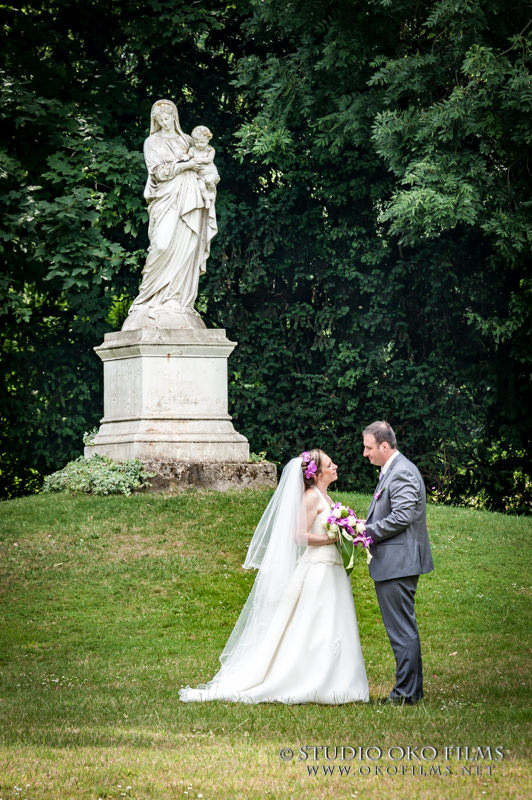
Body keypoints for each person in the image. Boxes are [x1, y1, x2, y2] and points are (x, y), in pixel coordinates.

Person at [179, 449, 369, 704]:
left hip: (332, 569)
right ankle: (309, 681)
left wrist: (350, 532)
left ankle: (338, 682)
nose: (335, 465)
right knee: (316, 626)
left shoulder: (327, 497)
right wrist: (331, 538)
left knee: (334, 624)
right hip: (318, 570)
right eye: (330, 463)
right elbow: (299, 536)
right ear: (317, 474)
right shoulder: (311, 498)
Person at [123, 100, 218, 330]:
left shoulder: (188, 140)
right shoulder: (151, 142)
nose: (164, 122)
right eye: (160, 119)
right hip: (165, 199)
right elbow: (157, 172)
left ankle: (178, 301)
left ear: (174, 117)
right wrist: (185, 166)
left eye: (167, 118)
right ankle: (148, 299)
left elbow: (207, 166)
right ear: (155, 121)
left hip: (191, 200)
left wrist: (211, 179)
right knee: (162, 245)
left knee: (187, 248)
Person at [362, 421, 434, 705]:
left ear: (383, 445)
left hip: (398, 562)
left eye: (368, 447)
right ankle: (411, 691)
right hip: (395, 561)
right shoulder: (391, 470)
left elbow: (403, 516)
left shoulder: (402, 471)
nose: (365, 453)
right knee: (403, 629)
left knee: (402, 630)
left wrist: (366, 532)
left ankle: (405, 694)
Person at [188, 125, 220, 209]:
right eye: (196, 142)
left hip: (210, 173)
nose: (199, 145)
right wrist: (186, 157)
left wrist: (198, 159)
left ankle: (211, 191)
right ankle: (206, 200)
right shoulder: (193, 149)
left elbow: (209, 159)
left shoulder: (210, 150)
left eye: (202, 142)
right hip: (199, 176)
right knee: (201, 187)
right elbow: (189, 155)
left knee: (209, 181)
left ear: (208, 140)